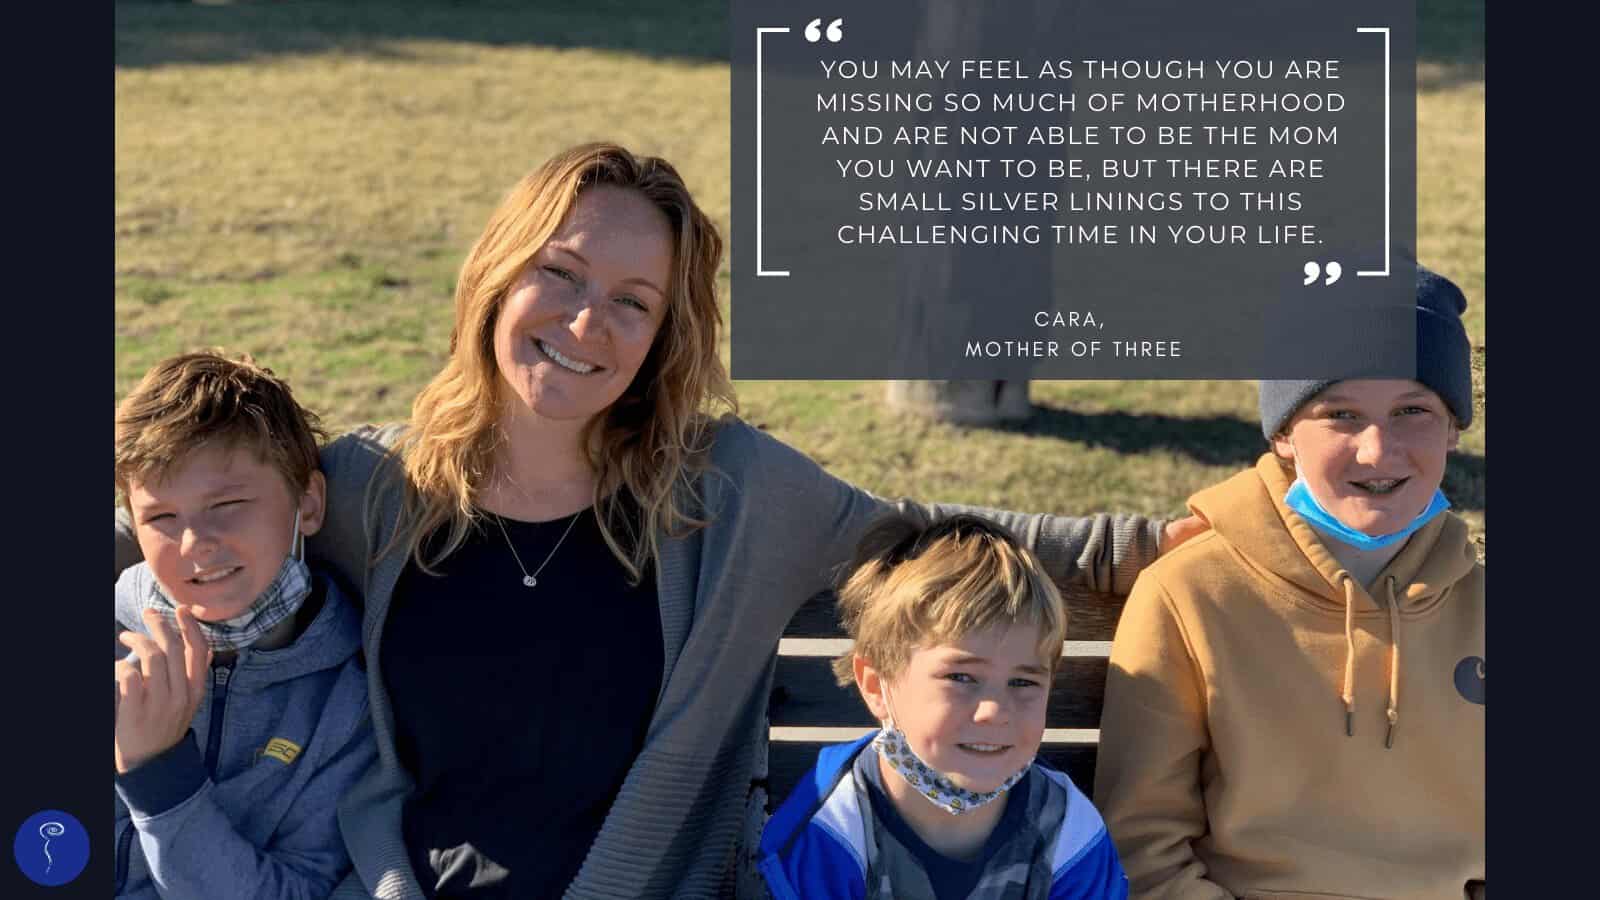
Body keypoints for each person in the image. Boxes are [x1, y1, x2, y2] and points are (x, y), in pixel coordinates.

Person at [114, 144, 1196, 899]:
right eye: (560, 274)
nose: (587, 322)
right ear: (496, 276)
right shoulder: (366, 490)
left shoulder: (733, 495)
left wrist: (1174, 538)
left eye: (632, 300)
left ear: (664, 331)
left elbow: (927, 528)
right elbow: (186, 518)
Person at [1093, 265, 1485, 899]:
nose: (1377, 450)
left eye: (1413, 410)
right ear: (1282, 434)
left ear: (1452, 430)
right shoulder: (1188, 595)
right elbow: (1141, 843)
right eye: (1341, 414)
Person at [113, 352, 377, 900]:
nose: (194, 544)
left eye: (227, 504)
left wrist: (156, 774)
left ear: (307, 503)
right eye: (162, 518)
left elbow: (298, 890)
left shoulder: (348, 702)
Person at [758, 514, 1128, 900]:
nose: (994, 711)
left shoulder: (1069, 832)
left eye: (1023, 682)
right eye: (961, 678)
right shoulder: (829, 833)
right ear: (875, 684)